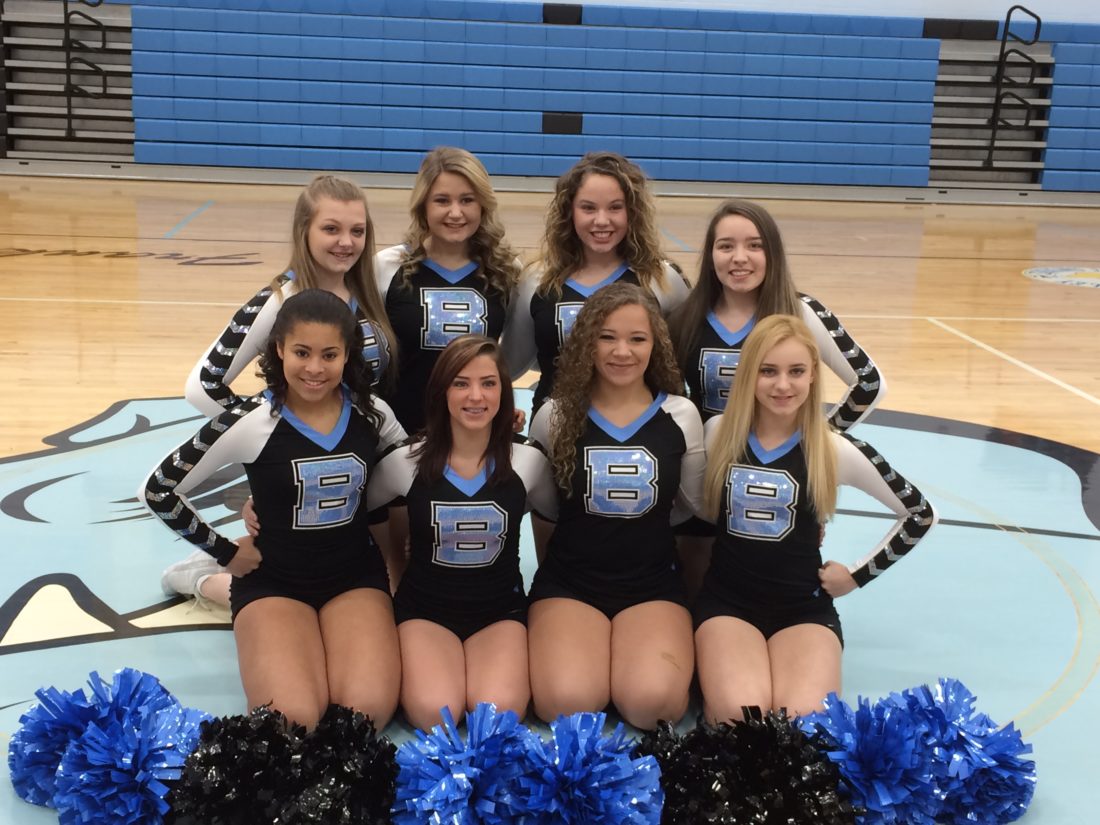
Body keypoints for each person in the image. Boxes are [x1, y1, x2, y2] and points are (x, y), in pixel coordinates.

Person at [141, 290, 405, 728]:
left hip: (353, 576)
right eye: (302, 352)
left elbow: (414, 472)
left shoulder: (372, 412)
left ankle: (216, 582)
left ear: (348, 355)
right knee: (291, 720)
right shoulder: (250, 419)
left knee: (363, 716)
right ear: (279, 348)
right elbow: (158, 488)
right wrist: (225, 551)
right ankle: (204, 576)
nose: (315, 368)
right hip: (274, 579)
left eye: (329, 354)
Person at [163, 174, 401, 607]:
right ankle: (201, 579)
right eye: (331, 229)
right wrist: (274, 444)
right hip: (316, 471)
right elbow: (203, 385)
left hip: (361, 466)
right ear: (304, 231)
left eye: (357, 230)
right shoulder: (278, 300)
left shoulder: (369, 287)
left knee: (384, 586)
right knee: (294, 585)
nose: (346, 242)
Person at [695, 314, 936, 723]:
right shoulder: (718, 433)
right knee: (741, 718)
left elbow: (919, 513)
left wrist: (856, 575)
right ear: (749, 374)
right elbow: (696, 506)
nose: (782, 385)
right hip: (727, 604)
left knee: (807, 722)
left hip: (801, 608)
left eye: (796, 371)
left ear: (813, 377)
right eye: (768, 371)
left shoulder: (833, 448)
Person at [668, 199, 887, 596]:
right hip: (707, 479)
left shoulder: (801, 311)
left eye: (754, 245)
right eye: (726, 246)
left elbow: (869, 383)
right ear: (710, 255)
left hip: (773, 479)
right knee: (698, 594)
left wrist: (809, 448)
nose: (740, 258)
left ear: (772, 252)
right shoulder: (687, 317)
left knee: (771, 588)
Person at [526, 282, 705, 731]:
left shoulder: (681, 415)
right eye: (606, 337)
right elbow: (546, 508)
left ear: (655, 344)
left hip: (651, 585)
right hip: (571, 584)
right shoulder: (555, 415)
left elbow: (690, 506)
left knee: (654, 705)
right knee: (566, 704)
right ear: (587, 341)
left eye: (637, 339)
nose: (621, 351)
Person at [366, 336, 556, 729]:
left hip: (500, 611)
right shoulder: (405, 461)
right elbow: (361, 508)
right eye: (461, 383)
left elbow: (555, 519)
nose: (476, 396)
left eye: (488, 383)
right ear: (441, 391)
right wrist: (392, 571)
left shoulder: (529, 461)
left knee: (499, 713)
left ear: (504, 391)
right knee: (435, 713)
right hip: (425, 611)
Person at [503, 152, 689, 412]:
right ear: (570, 211)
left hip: (637, 430)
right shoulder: (536, 281)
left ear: (632, 212)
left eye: (615, 207)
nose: (602, 220)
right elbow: (510, 364)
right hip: (554, 427)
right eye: (588, 208)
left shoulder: (661, 280)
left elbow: (679, 367)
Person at [375, 147, 521, 434]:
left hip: (476, 435)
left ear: (483, 204)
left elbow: (512, 357)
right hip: (401, 435)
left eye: (467, 200)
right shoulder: (386, 266)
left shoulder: (506, 271)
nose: (456, 213)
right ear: (423, 205)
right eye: (442, 200)